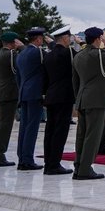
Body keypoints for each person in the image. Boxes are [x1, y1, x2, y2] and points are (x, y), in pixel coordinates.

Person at [72, 27, 105, 180]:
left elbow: (75, 81)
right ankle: (85, 169)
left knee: (81, 135)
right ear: (97, 39)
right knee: (93, 136)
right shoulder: (99, 55)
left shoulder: (79, 56)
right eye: (101, 38)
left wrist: (78, 98)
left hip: (83, 98)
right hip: (97, 99)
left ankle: (79, 166)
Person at [41, 26, 76, 175]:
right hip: (65, 96)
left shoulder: (48, 55)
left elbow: (45, 78)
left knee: (50, 130)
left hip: (51, 95)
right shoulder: (68, 53)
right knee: (60, 131)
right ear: (64, 38)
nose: (70, 40)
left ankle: (48, 162)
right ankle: (54, 164)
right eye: (69, 37)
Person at [0, 31, 23, 167]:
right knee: (5, 125)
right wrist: (22, 48)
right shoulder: (12, 54)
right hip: (9, 93)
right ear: (13, 43)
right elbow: (17, 70)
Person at [15, 27, 47, 171]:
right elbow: (52, 59)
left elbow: (18, 76)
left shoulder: (21, 54)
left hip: (24, 92)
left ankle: (22, 158)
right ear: (39, 39)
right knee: (32, 128)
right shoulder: (38, 52)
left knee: (24, 127)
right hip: (35, 93)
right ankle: (27, 160)